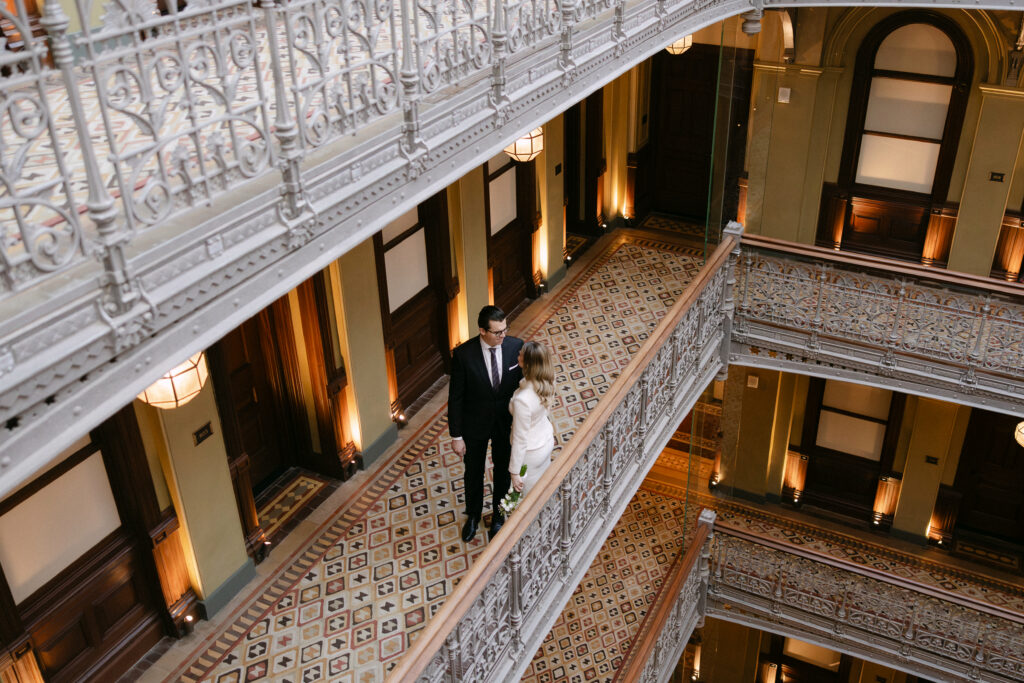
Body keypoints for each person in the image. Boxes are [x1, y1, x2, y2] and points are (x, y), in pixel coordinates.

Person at [448, 305, 524, 542]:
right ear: (482, 330)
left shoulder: (515, 347)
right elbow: (456, 398)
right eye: (497, 332)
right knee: (474, 472)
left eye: (504, 330)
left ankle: (499, 515)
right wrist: (456, 436)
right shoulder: (463, 355)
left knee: (503, 470)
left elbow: (525, 383)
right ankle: (473, 515)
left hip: (505, 423)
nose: (503, 336)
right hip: (474, 425)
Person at [508, 342, 557, 499]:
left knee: (527, 499)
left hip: (530, 453)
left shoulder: (523, 400)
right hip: (546, 440)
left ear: (527, 362)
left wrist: (515, 471)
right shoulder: (549, 378)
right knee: (543, 488)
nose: (517, 355)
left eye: (520, 354)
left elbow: (520, 438)